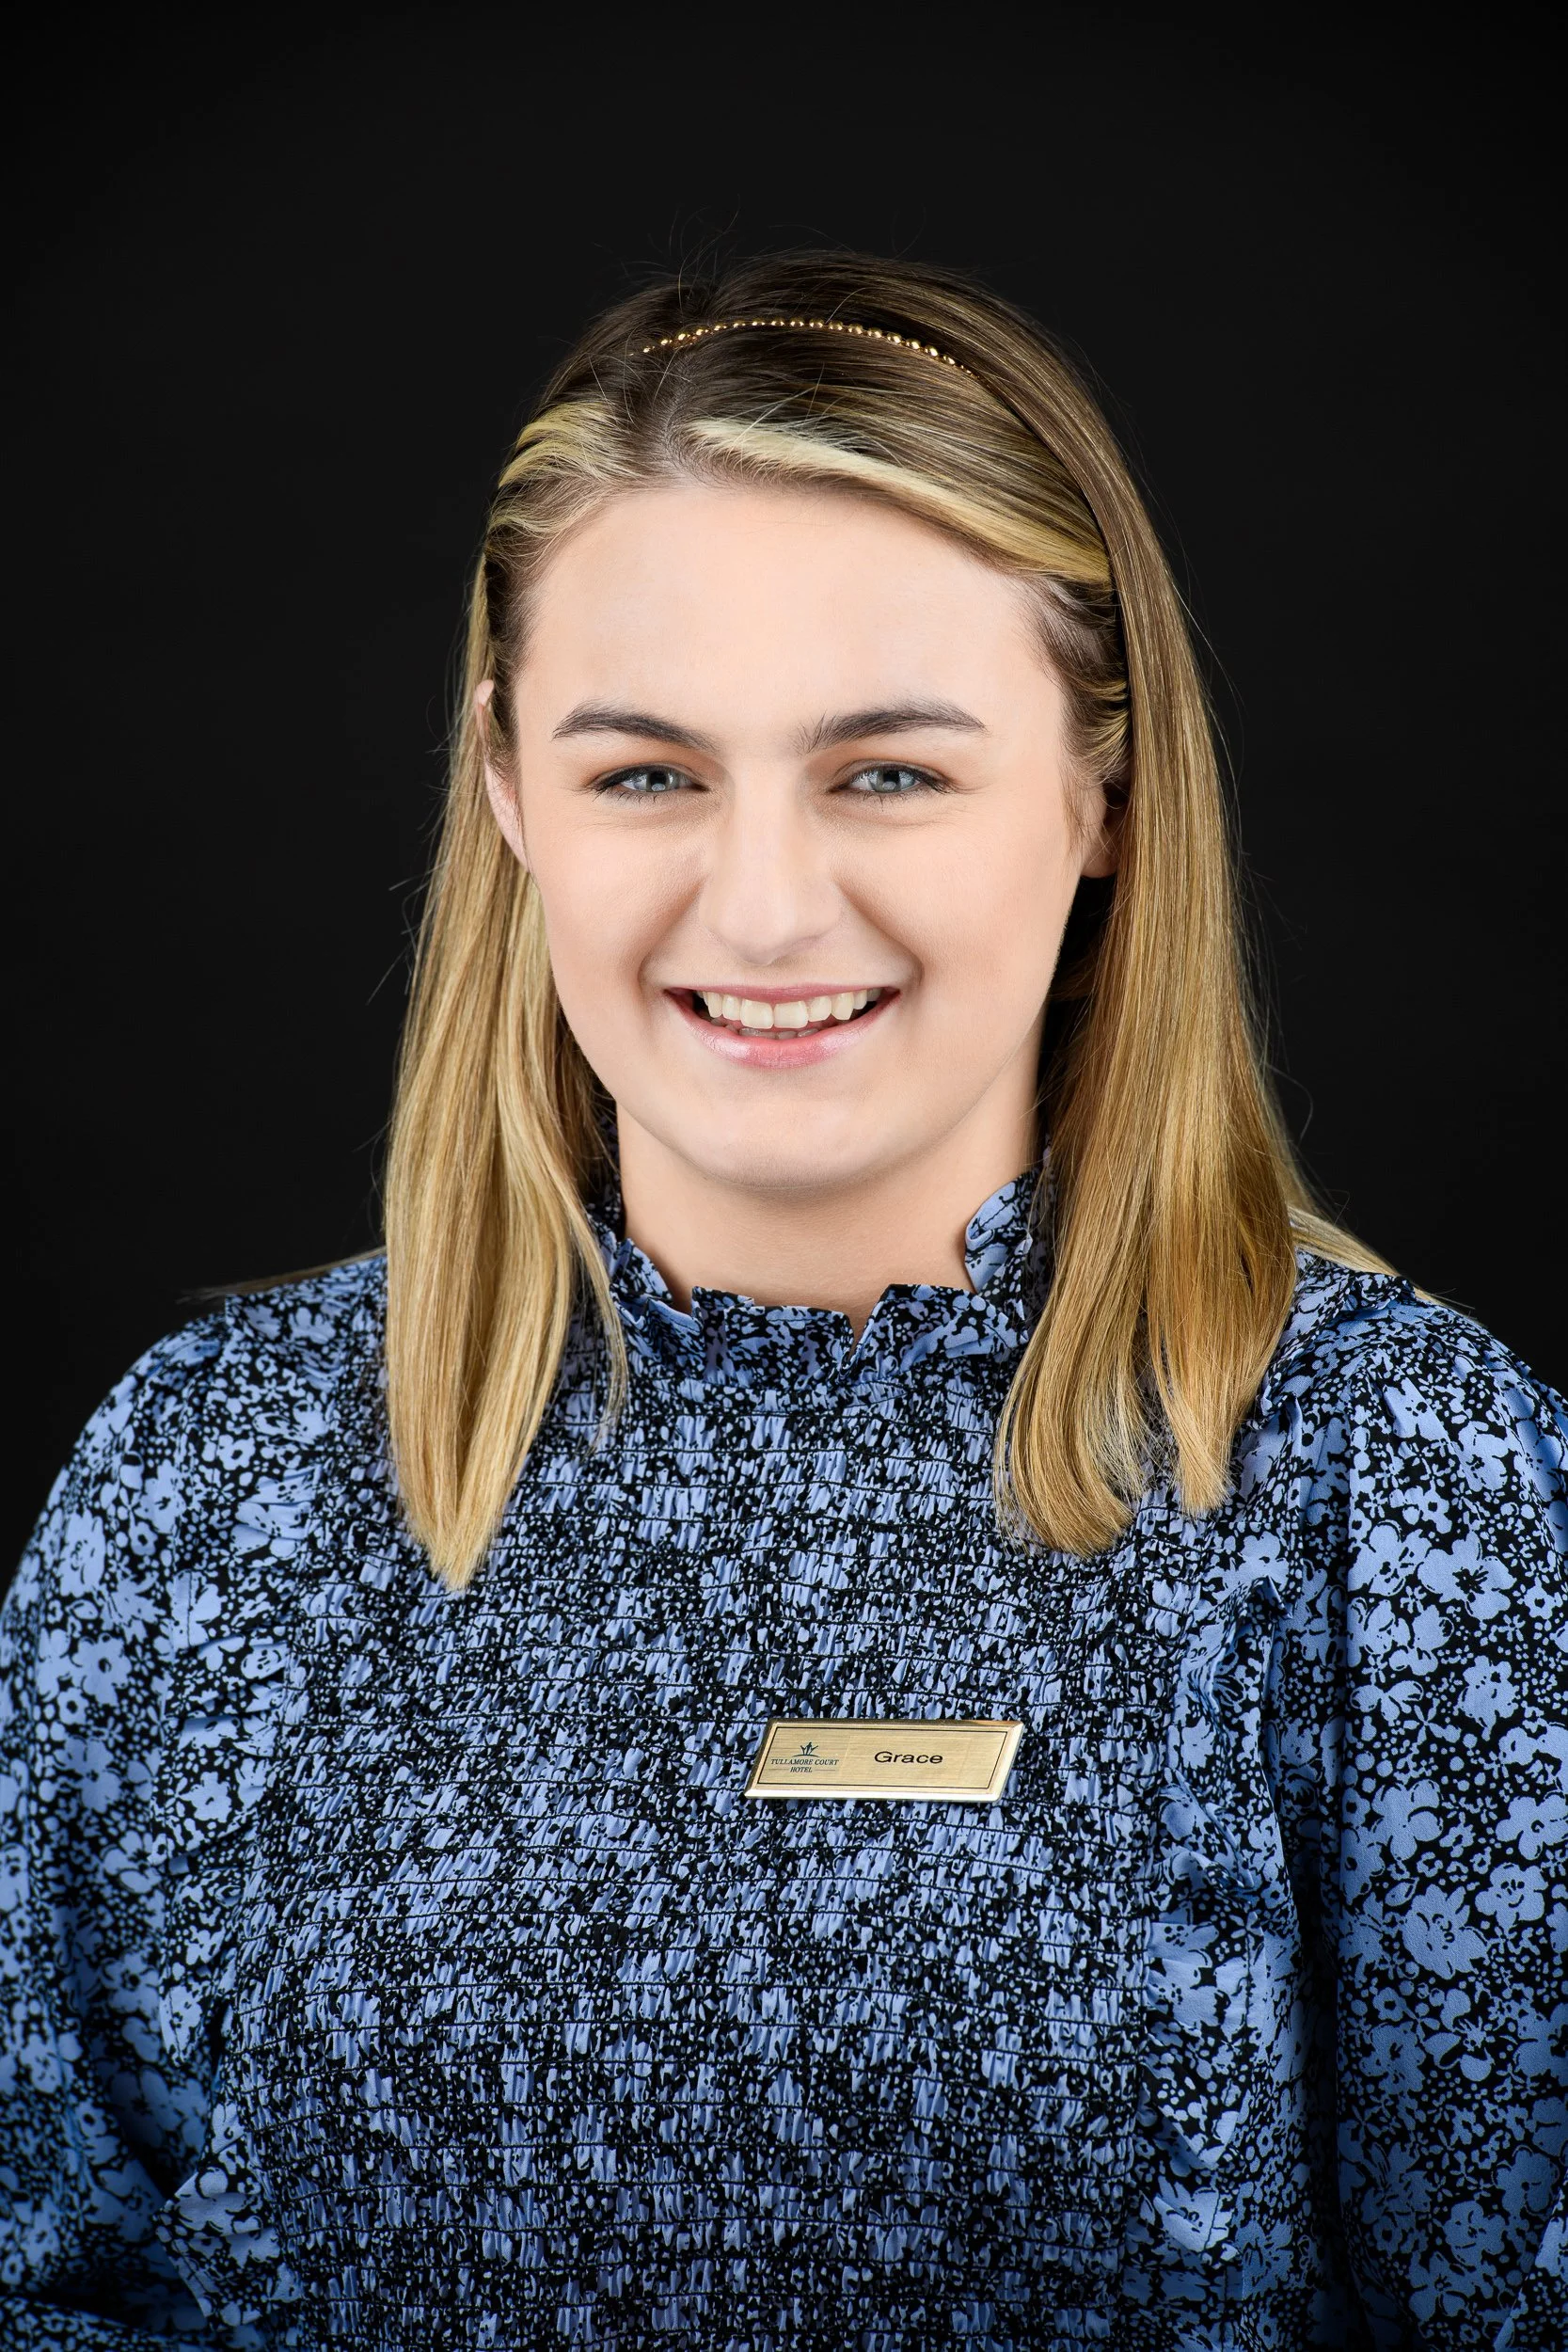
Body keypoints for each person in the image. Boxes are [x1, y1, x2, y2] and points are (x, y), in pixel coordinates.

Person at [2, 251, 1563, 2352]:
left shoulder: (1393, 1483)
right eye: (646, 772)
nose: (757, 903)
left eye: (887, 772)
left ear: (1103, 788)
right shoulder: (215, 1479)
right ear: (502, 784)